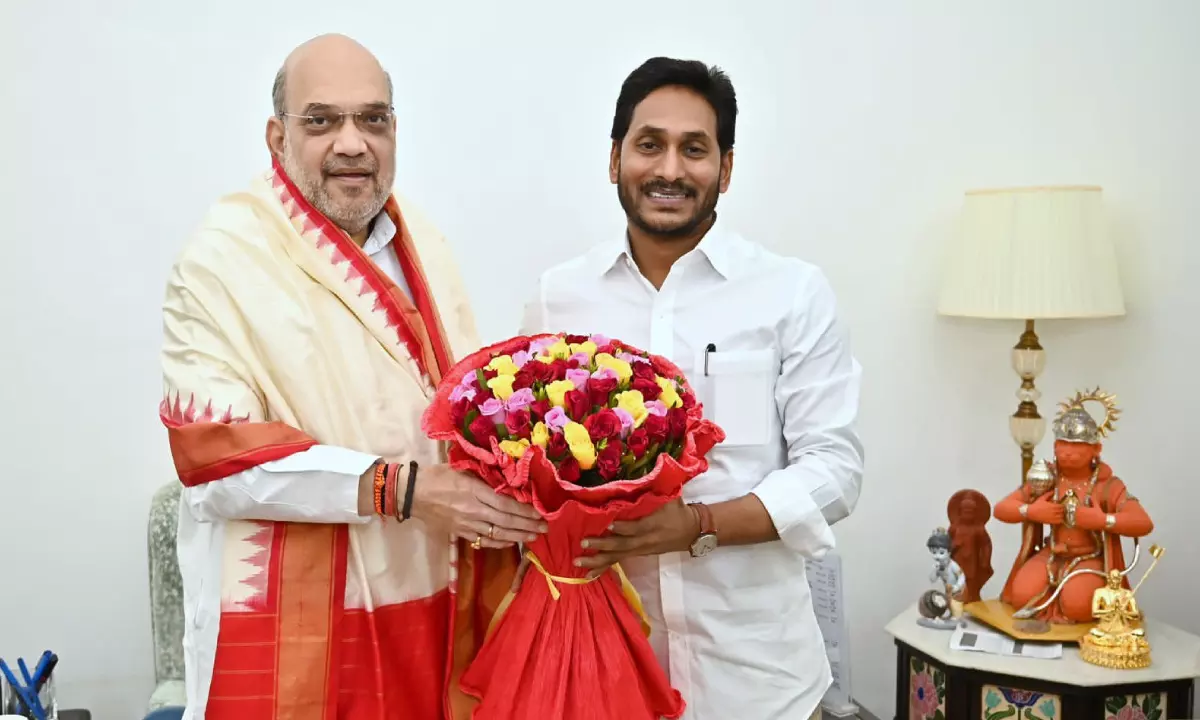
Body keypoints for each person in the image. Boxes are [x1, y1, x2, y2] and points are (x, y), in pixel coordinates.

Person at [159, 34, 544, 720]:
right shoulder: (221, 262)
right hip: (298, 623)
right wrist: (403, 489)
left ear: (395, 130)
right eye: (321, 121)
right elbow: (218, 463)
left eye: (372, 119)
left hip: (433, 595)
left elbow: (460, 408)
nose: (351, 143)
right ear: (277, 137)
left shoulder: (420, 239)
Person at [519, 57, 864, 720]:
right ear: (616, 157)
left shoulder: (791, 293)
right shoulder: (559, 298)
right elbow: (530, 460)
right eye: (649, 145)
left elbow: (836, 471)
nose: (670, 170)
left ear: (725, 169)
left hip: (760, 683)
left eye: (694, 149)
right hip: (601, 670)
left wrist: (697, 525)